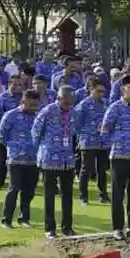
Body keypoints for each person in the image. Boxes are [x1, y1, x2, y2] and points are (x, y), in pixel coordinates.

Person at [101, 75, 130, 239]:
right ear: (123, 90)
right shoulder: (115, 108)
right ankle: (118, 228)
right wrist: (115, 144)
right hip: (120, 156)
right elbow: (105, 130)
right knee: (118, 194)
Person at [32, 86, 78, 237]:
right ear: (58, 99)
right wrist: (41, 151)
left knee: (67, 194)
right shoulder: (47, 111)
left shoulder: (73, 113)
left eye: (70, 103)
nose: (68, 106)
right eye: (65, 103)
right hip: (50, 158)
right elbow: (35, 132)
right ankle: (49, 228)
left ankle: (67, 227)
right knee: (49, 195)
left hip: (67, 159)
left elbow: (74, 132)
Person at [0, 90, 41, 228]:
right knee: (14, 188)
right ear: (23, 101)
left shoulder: (39, 117)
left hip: (33, 160)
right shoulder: (11, 115)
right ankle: (6, 220)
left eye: (36, 104)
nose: (34, 107)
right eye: (31, 104)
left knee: (29, 191)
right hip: (16, 159)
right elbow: (0, 135)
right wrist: (13, 148)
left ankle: (24, 218)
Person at [73, 77, 111, 205]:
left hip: (103, 141)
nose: (101, 94)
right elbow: (77, 124)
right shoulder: (83, 105)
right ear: (90, 89)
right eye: (98, 91)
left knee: (102, 170)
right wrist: (83, 136)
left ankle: (103, 195)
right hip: (88, 141)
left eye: (103, 91)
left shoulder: (106, 103)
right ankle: (83, 196)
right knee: (86, 170)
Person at [0, 73, 26, 190]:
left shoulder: (25, 98)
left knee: (19, 160)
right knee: (0, 161)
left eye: (20, 84)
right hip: (5, 134)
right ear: (9, 84)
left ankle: (19, 183)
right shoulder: (2, 98)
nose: (17, 87)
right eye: (14, 84)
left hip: (22, 135)